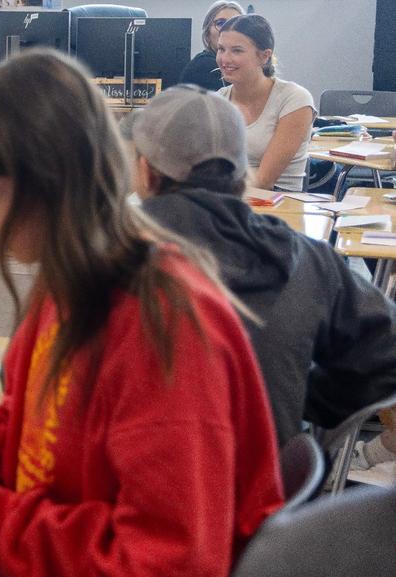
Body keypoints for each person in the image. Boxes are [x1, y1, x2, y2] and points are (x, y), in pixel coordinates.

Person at [0, 50, 283, 577]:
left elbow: (169, 562)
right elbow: (49, 435)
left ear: (55, 186)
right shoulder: (70, 281)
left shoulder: (162, 325)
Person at [124, 84, 396, 446]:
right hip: (274, 486)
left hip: (131, 487)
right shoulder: (307, 258)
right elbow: (387, 354)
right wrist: (305, 400)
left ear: (145, 171)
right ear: (241, 175)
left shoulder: (100, 261)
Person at [216, 14, 315, 191]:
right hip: (228, 199)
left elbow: (263, 181)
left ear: (264, 56)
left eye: (237, 50)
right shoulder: (219, 99)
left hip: (278, 202)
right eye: (221, 49)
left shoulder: (295, 99)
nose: (225, 59)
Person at [178, 0, 243, 90]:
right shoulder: (204, 66)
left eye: (237, 24)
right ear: (207, 33)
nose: (229, 29)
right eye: (221, 23)